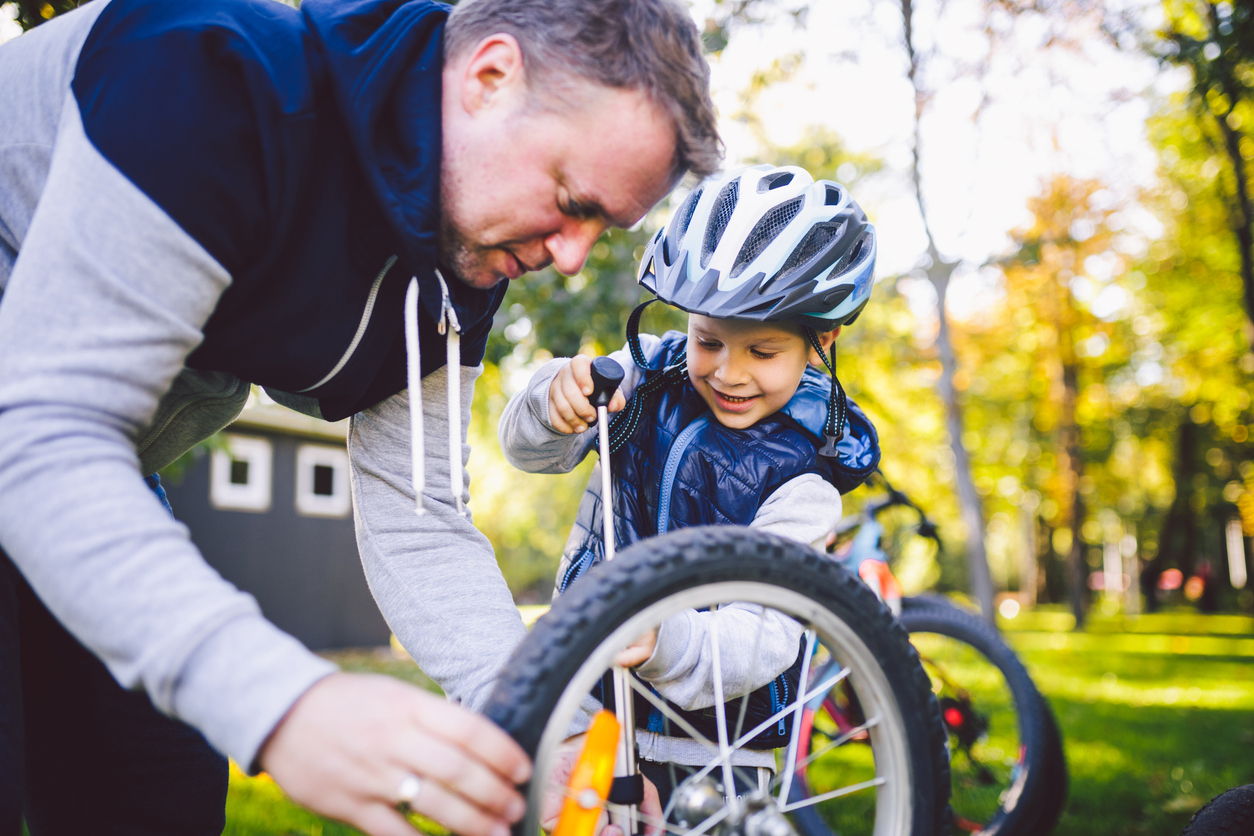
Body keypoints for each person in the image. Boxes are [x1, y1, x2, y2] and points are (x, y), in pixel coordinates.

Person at [0, 0, 720, 832]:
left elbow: (419, 521)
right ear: (489, 78)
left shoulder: (463, 261)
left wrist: (537, 725)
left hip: (75, 465)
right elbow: (45, 430)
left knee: (153, 788)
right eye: (571, 199)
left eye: (603, 227)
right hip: (39, 436)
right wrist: (287, 704)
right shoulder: (211, 76)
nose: (570, 258)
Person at [498, 164, 882, 805]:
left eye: (762, 353)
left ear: (823, 340)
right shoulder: (645, 374)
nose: (729, 373)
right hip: (588, 712)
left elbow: (767, 637)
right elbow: (527, 450)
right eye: (708, 341)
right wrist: (550, 402)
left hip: (718, 757)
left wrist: (663, 639)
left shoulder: (805, 479)